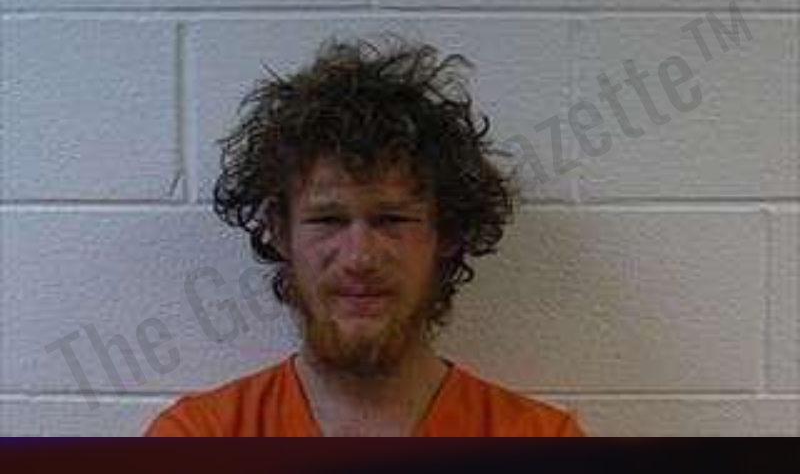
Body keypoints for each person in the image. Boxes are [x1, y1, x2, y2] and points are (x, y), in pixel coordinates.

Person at [144, 34, 585, 437]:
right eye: (327, 220)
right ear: (280, 233)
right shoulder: (199, 436)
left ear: (447, 231)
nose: (360, 258)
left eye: (392, 219)